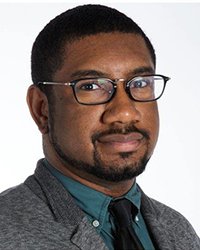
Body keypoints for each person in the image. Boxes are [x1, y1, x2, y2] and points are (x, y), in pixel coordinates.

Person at [0, 4, 199, 250]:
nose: (125, 111)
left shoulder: (178, 230)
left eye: (140, 83)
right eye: (91, 86)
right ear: (42, 108)